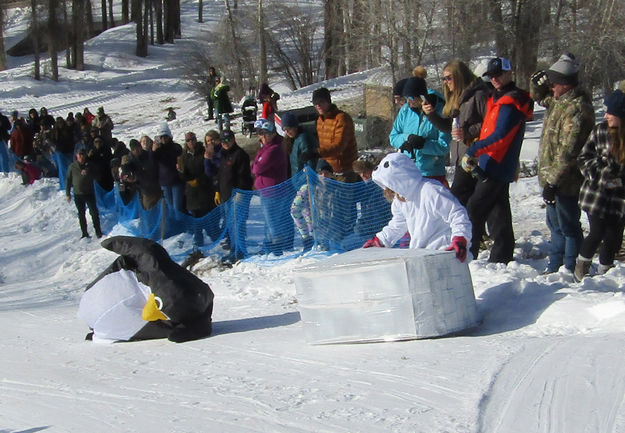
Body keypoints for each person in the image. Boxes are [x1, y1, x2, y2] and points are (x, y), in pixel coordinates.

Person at [461, 57, 533, 263]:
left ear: (509, 73)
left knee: (475, 207)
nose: (495, 79)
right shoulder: (498, 98)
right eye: (492, 76)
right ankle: (502, 255)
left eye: (499, 74)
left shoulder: (511, 103)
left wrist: (475, 148)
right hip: (491, 162)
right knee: (497, 209)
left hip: (497, 163)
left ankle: (470, 253)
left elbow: (500, 137)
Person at [530, 53, 595, 274]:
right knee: (555, 226)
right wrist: (535, 82)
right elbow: (538, 98)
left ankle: (569, 266)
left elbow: (568, 152)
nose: (551, 88)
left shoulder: (576, 109)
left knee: (568, 226)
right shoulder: (559, 102)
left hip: (566, 181)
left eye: (554, 84)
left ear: (565, 85)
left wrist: (553, 183)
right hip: (550, 177)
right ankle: (554, 264)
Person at [362, 152, 471, 262]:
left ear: (400, 179)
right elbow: (398, 224)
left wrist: (460, 238)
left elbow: (457, 214)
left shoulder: (431, 191)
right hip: (421, 255)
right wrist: (380, 240)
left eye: (390, 185)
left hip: (446, 252)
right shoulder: (400, 199)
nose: (388, 190)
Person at [574, 90, 625, 281]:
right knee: (597, 232)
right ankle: (581, 270)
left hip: (620, 198)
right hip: (597, 194)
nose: (606, 115)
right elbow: (584, 157)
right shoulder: (600, 130)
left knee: (614, 236)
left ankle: (605, 272)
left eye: (610, 112)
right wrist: (602, 174)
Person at [422, 60, 490, 198]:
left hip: (476, 157)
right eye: (443, 79)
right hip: (461, 158)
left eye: (449, 78)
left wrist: (466, 132)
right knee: (471, 204)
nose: (446, 82)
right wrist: (431, 114)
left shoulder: (479, 94)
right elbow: (448, 127)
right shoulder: (455, 98)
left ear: (460, 76)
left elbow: (490, 124)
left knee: (458, 199)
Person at [389, 76, 451, 186]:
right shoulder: (406, 110)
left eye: (412, 98)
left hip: (432, 172)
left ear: (422, 96)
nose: (409, 101)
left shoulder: (441, 110)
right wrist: (407, 138)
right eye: (406, 98)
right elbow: (393, 136)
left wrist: (423, 145)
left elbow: (444, 146)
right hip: (408, 170)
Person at [251, 119, 290, 255]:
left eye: (265, 134)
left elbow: (258, 168)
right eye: (261, 134)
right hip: (266, 190)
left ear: (273, 134)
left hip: (272, 192)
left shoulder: (273, 149)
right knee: (268, 223)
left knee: (273, 222)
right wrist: (256, 163)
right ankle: (268, 247)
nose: (262, 137)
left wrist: (256, 164)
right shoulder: (266, 148)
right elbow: (255, 165)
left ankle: (277, 248)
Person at [217, 130, 253, 263]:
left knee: (238, 224)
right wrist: (218, 191)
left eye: (227, 140)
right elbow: (220, 175)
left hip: (238, 195)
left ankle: (240, 251)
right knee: (230, 224)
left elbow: (244, 177)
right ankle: (233, 249)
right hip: (226, 195)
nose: (225, 143)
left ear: (233, 139)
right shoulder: (223, 155)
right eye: (222, 141)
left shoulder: (240, 154)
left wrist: (240, 192)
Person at [178, 131, 214, 247]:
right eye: (188, 140)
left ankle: (216, 237)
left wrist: (199, 180)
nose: (191, 142)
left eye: (192, 139)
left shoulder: (202, 152)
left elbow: (208, 170)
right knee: (195, 217)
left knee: (208, 217)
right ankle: (198, 240)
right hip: (191, 192)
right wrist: (182, 173)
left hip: (205, 189)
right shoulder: (184, 156)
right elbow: (183, 176)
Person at [313, 87, 358, 174]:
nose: (318, 105)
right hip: (327, 169)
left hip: (344, 170)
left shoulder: (342, 118)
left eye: (321, 102)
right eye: (315, 103)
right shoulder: (320, 120)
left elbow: (339, 145)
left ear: (328, 101)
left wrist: (318, 153)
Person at [66, 148, 103, 239]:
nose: (81, 157)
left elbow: (98, 177)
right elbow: (68, 180)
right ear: (76, 156)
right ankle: (84, 233)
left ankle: (98, 232)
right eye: (80, 155)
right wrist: (67, 193)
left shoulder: (90, 165)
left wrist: (89, 173)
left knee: (94, 213)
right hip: (78, 194)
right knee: (81, 214)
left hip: (89, 193)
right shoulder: (72, 166)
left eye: (83, 155)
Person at [152, 123, 185, 226]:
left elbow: (178, 158)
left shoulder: (176, 147)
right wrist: (153, 151)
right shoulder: (158, 150)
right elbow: (152, 163)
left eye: (165, 137)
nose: (164, 140)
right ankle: (174, 226)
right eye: (162, 137)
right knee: (170, 207)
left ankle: (182, 225)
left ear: (169, 137)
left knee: (177, 207)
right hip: (164, 182)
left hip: (176, 181)